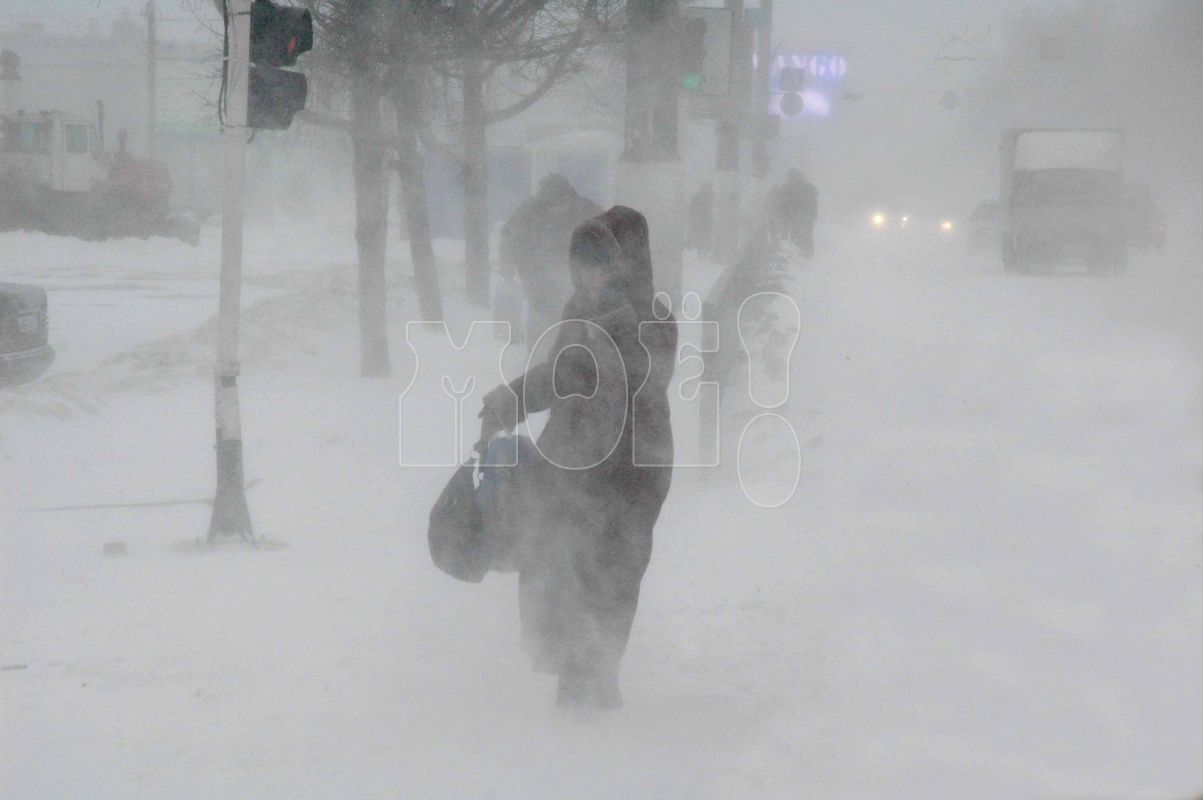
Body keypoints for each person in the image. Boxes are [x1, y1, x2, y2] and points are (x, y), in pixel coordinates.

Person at [479, 208, 677, 709]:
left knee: (616, 571)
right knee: (562, 563)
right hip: (574, 463)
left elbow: (634, 376)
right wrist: (513, 400)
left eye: (601, 266)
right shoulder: (577, 309)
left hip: (634, 469)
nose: (589, 277)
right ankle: (575, 673)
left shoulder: (651, 316)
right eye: (582, 266)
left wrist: (608, 324)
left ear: (626, 264)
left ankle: (599, 675)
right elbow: (559, 372)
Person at [499, 174, 603, 350]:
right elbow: (508, 236)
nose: (555, 210)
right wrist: (506, 264)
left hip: (577, 278)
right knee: (540, 319)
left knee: (576, 318)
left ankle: (575, 361)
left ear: (569, 197)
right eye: (549, 205)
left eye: (560, 204)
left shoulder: (588, 211)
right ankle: (537, 360)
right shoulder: (528, 210)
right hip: (535, 275)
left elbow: (609, 238)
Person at [772, 168, 819, 257]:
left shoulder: (799, 187)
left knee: (802, 233)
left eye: (791, 177)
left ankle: (805, 252)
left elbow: (791, 200)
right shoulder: (803, 186)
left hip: (803, 214)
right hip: (804, 214)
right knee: (803, 233)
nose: (790, 179)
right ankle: (805, 252)